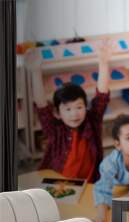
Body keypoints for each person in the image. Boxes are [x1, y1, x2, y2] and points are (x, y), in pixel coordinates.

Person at [26, 40, 112, 182]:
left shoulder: (92, 121)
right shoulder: (54, 128)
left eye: (79, 107)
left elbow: (102, 96)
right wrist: (35, 71)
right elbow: (41, 105)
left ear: (86, 107)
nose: (74, 114)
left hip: (89, 182)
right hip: (58, 182)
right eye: (67, 109)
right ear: (57, 113)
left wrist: (103, 63)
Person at [93, 114, 129, 222]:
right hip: (117, 189)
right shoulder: (110, 163)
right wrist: (102, 213)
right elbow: (102, 189)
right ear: (118, 144)